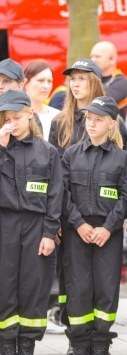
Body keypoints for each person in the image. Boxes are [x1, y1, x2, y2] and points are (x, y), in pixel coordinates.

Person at [61, 96, 127, 355]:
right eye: (88, 119)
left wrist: (109, 226)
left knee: (106, 287)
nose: (91, 124)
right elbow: (62, 193)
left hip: (108, 232)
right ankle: (80, 344)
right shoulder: (71, 155)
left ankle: (101, 343)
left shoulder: (122, 158)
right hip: (77, 231)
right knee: (78, 286)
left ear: (111, 123)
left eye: (98, 120)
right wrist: (78, 224)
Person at [0, 89, 63, 355]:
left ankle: (26, 345)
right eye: (6, 119)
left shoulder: (47, 152)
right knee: (4, 286)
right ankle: (5, 344)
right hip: (5, 225)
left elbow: (55, 195)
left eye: (17, 117)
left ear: (29, 115)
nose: (12, 123)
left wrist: (49, 233)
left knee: (33, 287)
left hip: (37, 227)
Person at [49, 58, 127, 157]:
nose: (75, 84)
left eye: (82, 79)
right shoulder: (59, 122)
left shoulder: (113, 122)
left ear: (95, 83)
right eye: (72, 79)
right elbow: (54, 165)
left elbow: (124, 161)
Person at [90, 41, 127, 119]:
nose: (93, 60)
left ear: (112, 59)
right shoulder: (93, 78)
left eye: (97, 56)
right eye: (92, 56)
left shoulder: (121, 82)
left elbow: (99, 101)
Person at [23, 59, 60, 140]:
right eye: (40, 80)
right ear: (25, 82)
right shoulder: (14, 114)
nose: (46, 86)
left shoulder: (58, 116)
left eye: (49, 81)